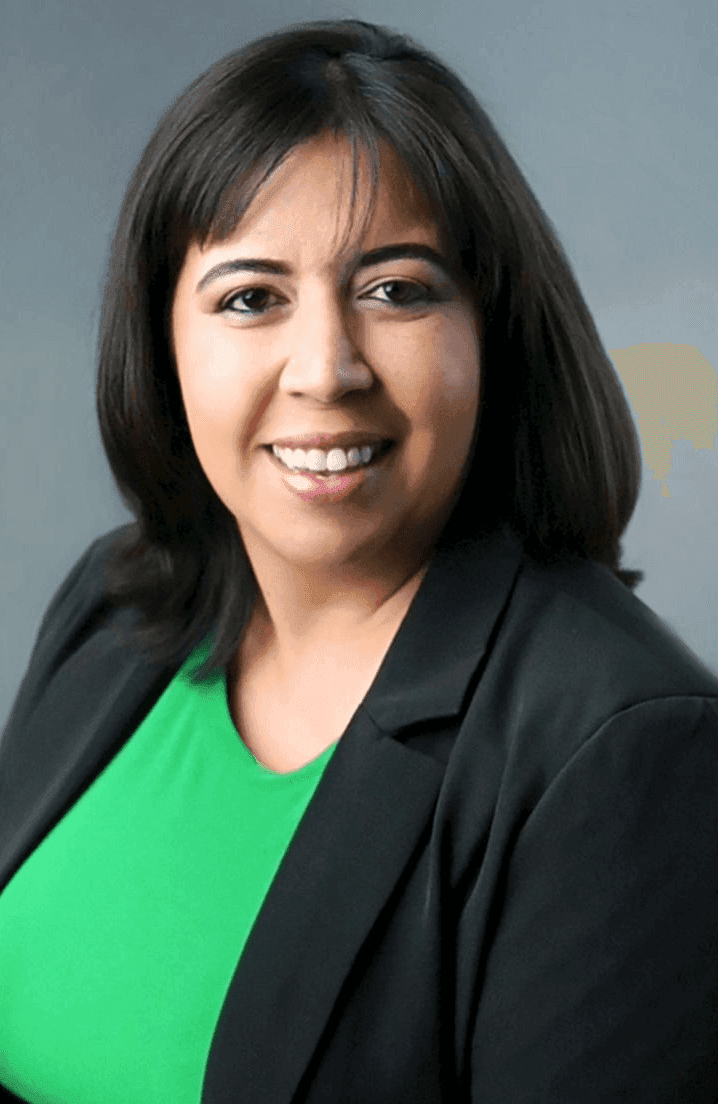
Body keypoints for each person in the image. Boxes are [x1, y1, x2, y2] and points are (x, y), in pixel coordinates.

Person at [1, 17, 716, 1104]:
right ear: (163, 346)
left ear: (493, 331)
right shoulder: (112, 605)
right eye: (251, 298)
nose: (326, 369)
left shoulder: (626, 754)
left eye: (396, 290)